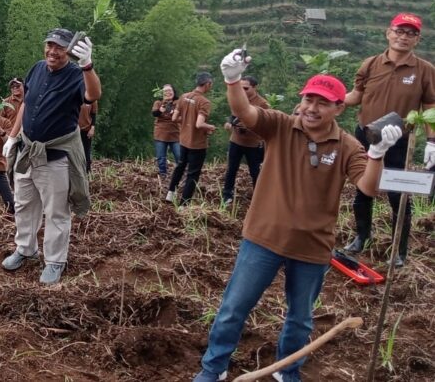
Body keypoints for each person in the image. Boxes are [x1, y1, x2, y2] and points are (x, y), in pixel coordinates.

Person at [192, 50, 398, 382]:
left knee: (300, 319)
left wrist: (376, 154)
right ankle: (213, 368)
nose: (312, 108)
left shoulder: (346, 146)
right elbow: (243, 109)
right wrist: (232, 80)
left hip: (312, 247)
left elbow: (369, 187)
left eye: (322, 102)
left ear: (338, 108)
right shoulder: (280, 126)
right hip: (263, 238)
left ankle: (287, 373)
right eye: (308, 99)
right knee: (234, 309)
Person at [1, 28, 100, 284]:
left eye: (59, 47)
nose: (52, 51)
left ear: (68, 50)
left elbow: (93, 95)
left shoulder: (76, 76)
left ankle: (55, 261)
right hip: (27, 151)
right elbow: (26, 103)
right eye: (49, 45)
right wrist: (13, 136)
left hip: (55, 157)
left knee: (56, 211)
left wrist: (87, 66)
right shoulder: (36, 68)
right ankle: (26, 248)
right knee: (24, 204)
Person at [341, 12, 435, 267]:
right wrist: (334, 99)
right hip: (366, 136)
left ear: (417, 39)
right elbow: (356, 96)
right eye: (399, 31)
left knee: (399, 194)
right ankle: (362, 237)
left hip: (399, 141)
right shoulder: (370, 64)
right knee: (362, 188)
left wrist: (432, 141)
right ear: (388, 32)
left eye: (410, 33)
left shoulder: (424, 70)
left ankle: (400, 249)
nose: (403, 37)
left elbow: (430, 105)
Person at [166, 72, 218, 205]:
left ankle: (170, 194)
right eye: (210, 84)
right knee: (193, 174)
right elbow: (199, 124)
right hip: (197, 144)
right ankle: (184, 203)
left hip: (183, 140)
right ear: (207, 84)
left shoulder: (184, 97)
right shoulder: (204, 102)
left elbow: (174, 118)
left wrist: (187, 120)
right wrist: (210, 127)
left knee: (180, 166)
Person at [221, 76, 269, 206]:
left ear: (254, 88)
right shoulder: (238, 99)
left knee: (255, 172)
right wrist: (229, 123)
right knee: (231, 168)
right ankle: (227, 195)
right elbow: (233, 116)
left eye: (246, 88)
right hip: (236, 140)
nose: (243, 91)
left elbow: (266, 125)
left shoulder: (262, 103)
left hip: (254, 144)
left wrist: (249, 126)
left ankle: (259, 198)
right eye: (240, 88)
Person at [151, 84, 182, 178]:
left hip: (175, 133)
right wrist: (161, 110)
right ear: (162, 93)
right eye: (165, 91)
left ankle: (181, 174)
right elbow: (154, 113)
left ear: (173, 92)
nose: (168, 92)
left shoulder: (178, 103)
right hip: (161, 133)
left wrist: (173, 112)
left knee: (179, 156)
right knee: (161, 157)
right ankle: (163, 175)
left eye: (170, 90)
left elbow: (182, 115)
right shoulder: (158, 103)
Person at [78, 100, 98, 173]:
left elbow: (93, 114)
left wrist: (92, 128)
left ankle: (87, 172)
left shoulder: (91, 97)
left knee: (86, 151)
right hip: (74, 129)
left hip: (86, 129)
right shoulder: (75, 93)